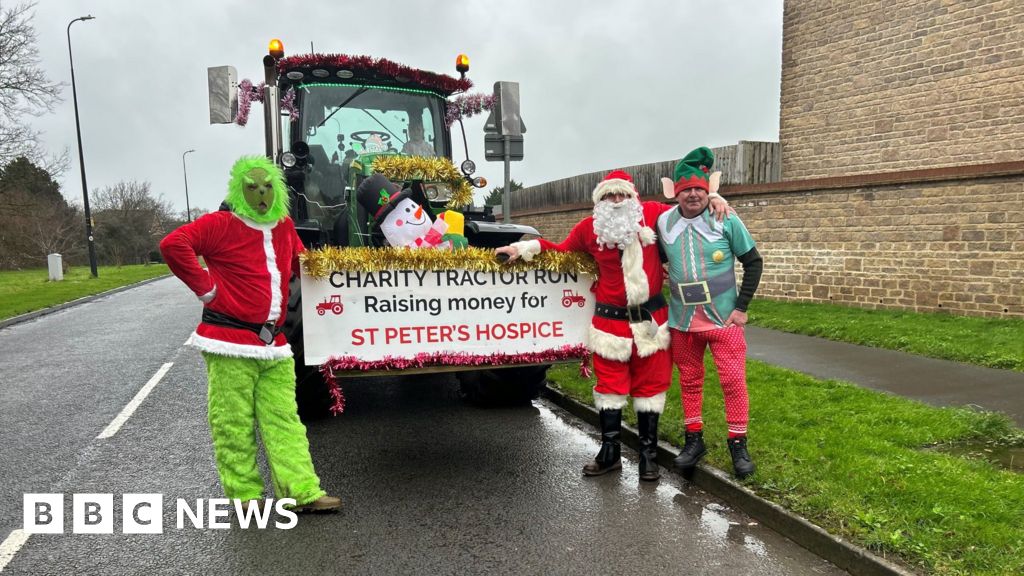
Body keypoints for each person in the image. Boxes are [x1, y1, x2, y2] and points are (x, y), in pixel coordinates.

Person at [496, 170, 728, 481]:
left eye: (622, 195)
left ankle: (648, 455)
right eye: (609, 195)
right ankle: (610, 453)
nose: (616, 201)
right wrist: (522, 248)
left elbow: (688, 211)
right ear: (600, 200)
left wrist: (713, 198)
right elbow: (562, 251)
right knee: (610, 390)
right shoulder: (589, 229)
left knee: (651, 389)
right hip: (609, 325)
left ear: (633, 198)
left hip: (651, 324)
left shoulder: (654, 214)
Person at [160, 155, 342, 512]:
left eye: (267, 186)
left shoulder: (284, 226)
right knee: (233, 423)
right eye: (253, 187)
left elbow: (301, 265)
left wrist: (347, 274)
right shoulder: (220, 224)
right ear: (239, 190)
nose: (261, 194)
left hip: (273, 344)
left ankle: (301, 492)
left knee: (285, 419)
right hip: (228, 343)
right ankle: (244, 497)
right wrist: (205, 288)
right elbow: (173, 245)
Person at [656, 147, 763, 479]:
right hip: (683, 321)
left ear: (708, 191)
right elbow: (660, 253)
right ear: (675, 192)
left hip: (723, 318)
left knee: (733, 382)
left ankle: (738, 444)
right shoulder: (663, 221)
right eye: (686, 188)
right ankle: (694, 440)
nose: (692, 195)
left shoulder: (725, 217)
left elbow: (753, 261)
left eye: (699, 189)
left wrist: (742, 308)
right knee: (689, 381)